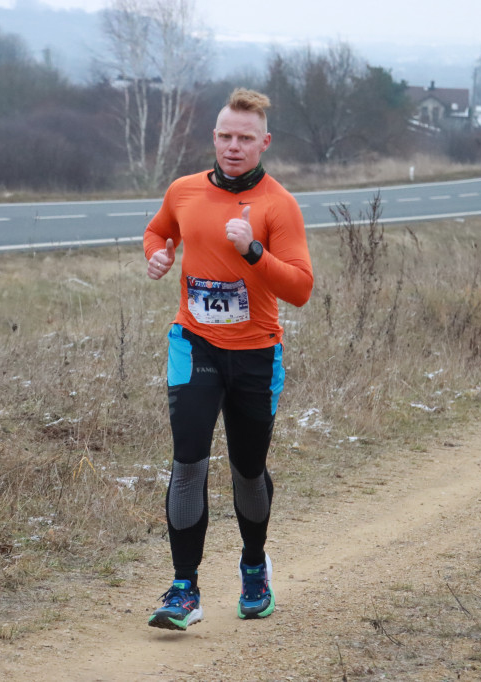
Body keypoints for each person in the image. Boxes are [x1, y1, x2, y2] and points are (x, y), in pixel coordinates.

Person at [143, 88, 313, 631]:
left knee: (246, 470)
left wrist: (253, 252)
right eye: (225, 136)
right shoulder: (184, 190)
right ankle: (183, 588)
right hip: (194, 346)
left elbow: (302, 289)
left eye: (245, 138)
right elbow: (157, 229)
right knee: (188, 461)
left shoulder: (278, 205)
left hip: (256, 355)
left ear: (264, 142)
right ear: (213, 137)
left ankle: (253, 567)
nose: (233, 147)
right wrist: (157, 255)